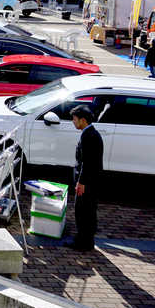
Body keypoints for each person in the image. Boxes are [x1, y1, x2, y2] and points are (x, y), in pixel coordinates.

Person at [69, 105, 103, 252]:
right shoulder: (91, 134)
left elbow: (87, 162)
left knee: (83, 212)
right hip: (92, 181)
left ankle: (83, 242)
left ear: (83, 120)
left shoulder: (88, 136)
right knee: (87, 212)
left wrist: (81, 182)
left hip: (87, 182)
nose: (73, 122)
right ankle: (85, 241)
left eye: (75, 119)